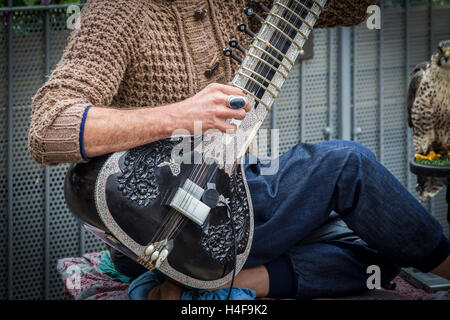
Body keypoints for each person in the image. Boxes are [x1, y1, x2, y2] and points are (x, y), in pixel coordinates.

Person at [29, 0, 449, 300]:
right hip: (155, 221)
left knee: (381, 248)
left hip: (232, 200)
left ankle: (224, 285)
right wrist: (181, 115)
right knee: (347, 163)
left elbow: (350, 8)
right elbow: (49, 127)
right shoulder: (117, 12)